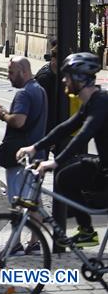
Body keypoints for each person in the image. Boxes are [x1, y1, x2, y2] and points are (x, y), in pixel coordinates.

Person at [17, 52, 108, 248]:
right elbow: (66, 128)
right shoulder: (91, 102)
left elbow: (85, 133)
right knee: (65, 177)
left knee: (66, 175)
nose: (64, 80)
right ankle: (86, 231)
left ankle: (86, 230)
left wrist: (55, 161)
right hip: (104, 166)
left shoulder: (101, 103)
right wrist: (35, 147)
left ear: (80, 78)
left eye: (68, 76)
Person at [0, 57, 47, 208]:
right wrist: (6, 112)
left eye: (11, 72)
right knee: (34, 205)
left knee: (20, 204)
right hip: (36, 155)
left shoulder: (23, 93)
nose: (8, 76)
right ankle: (39, 226)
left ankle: (21, 225)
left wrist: (2, 115)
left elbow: (18, 121)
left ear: (23, 72)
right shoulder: (39, 89)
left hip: (21, 158)